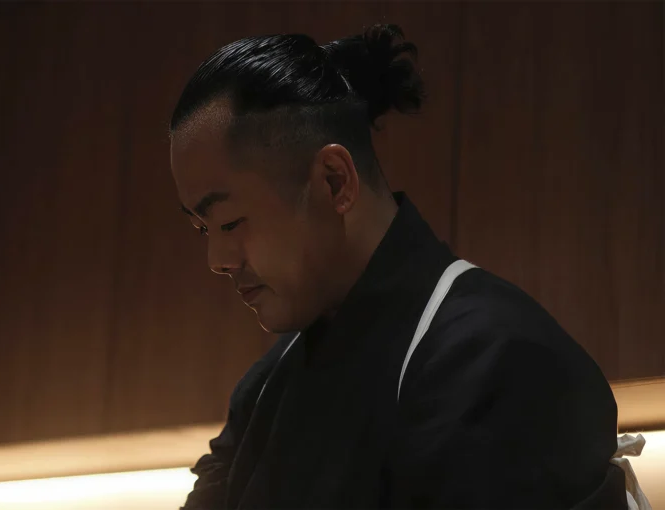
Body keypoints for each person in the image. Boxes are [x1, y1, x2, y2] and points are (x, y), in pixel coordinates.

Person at [169, 23, 626, 510]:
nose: (217, 261)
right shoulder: (266, 387)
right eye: (203, 229)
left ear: (333, 181)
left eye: (231, 222)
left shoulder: (502, 361)